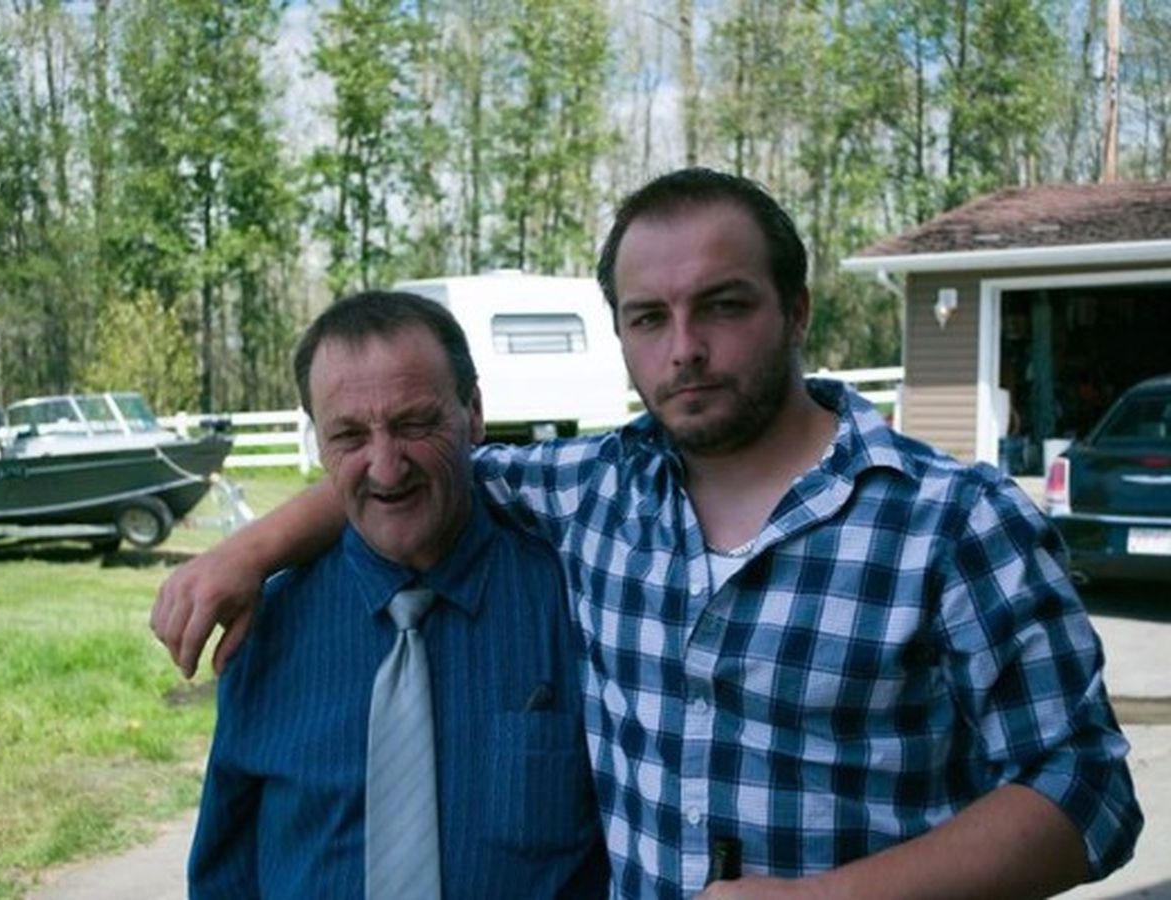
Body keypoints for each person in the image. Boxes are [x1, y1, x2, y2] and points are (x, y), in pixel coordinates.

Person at [157, 169, 1142, 899]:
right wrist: (248, 551)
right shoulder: (593, 494)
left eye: (723, 305)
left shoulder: (955, 522)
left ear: (796, 310)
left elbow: (1087, 790)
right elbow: (402, 473)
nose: (686, 349)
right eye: (648, 318)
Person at [187, 291, 608, 898]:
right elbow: (226, 875)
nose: (386, 468)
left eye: (414, 425)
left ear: (474, 413)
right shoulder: (266, 629)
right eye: (349, 436)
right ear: (318, 442)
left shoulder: (576, 606)